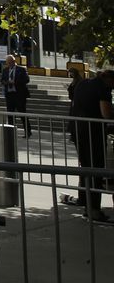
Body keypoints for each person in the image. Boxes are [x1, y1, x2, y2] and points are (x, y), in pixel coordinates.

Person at [65, 69, 114, 221]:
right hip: (92, 133)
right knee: (96, 170)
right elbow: (106, 113)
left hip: (77, 130)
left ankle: (87, 206)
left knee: (86, 168)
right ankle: (93, 210)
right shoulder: (103, 88)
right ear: (108, 79)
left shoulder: (83, 83)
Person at [0, 53, 32, 138]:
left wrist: (15, 82)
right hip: (9, 94)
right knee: (10, 115)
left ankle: (28, 131)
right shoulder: (5, 70)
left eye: (10, 62)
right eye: (7, 62)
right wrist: (5, 82)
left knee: (22, 114)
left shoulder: (21, 69)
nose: (9, 64)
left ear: (14, 61)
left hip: (19, 95)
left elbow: (26, 80)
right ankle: (11, 132)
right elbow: (2, 80)